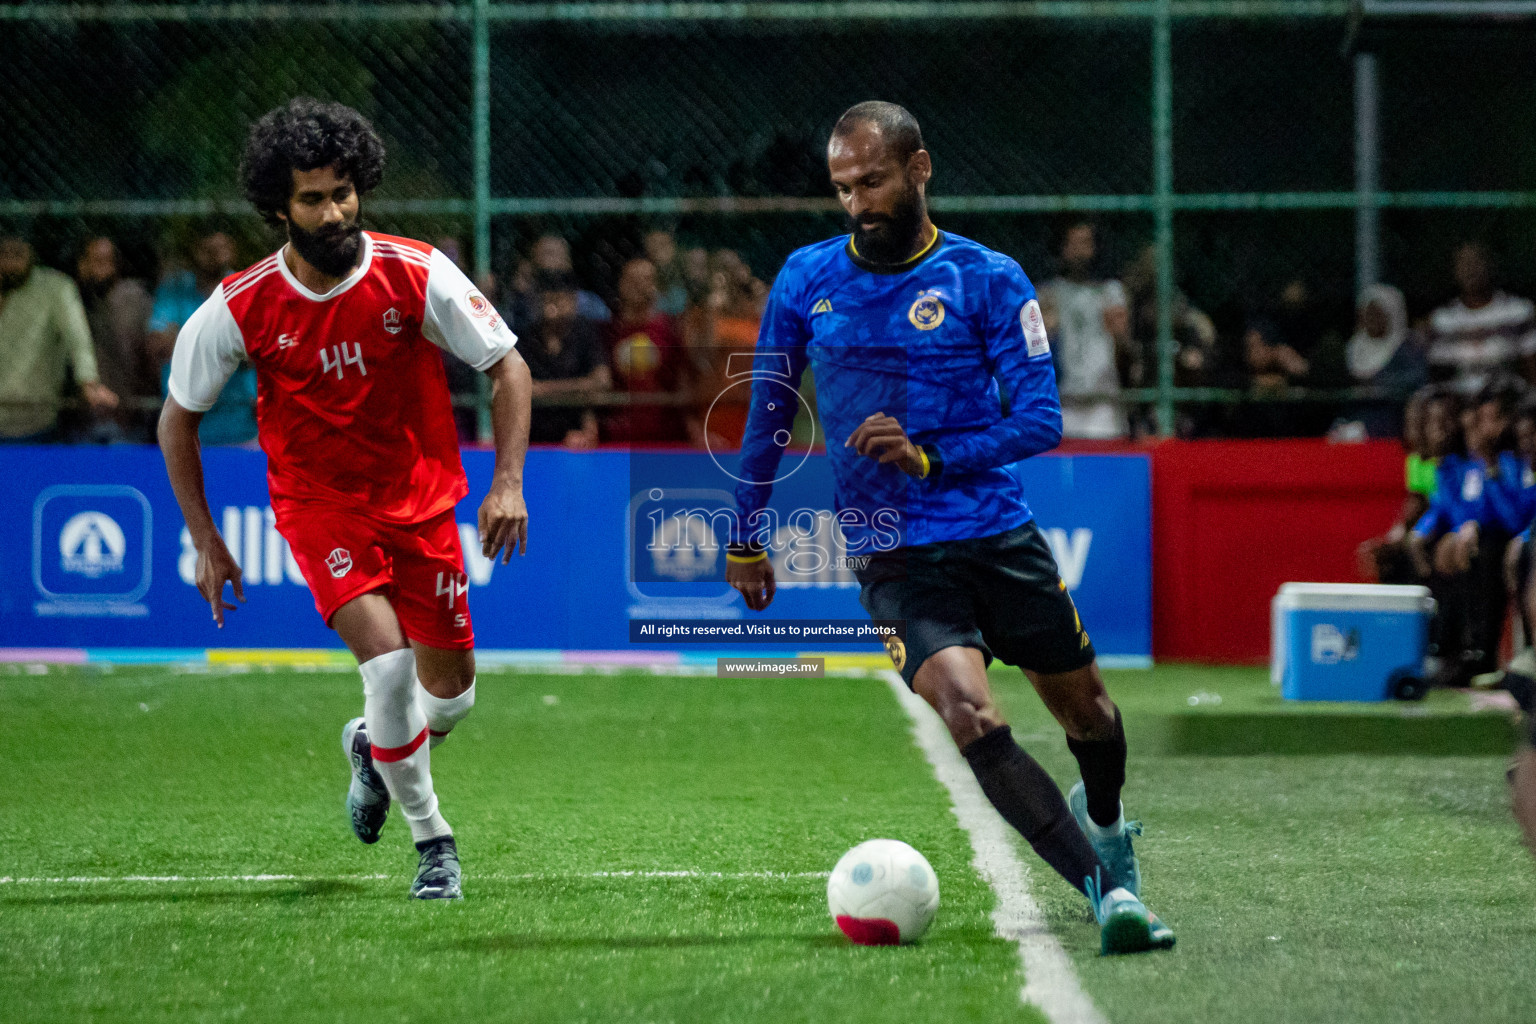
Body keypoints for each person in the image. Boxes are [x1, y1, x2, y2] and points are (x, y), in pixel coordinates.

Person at [724, 101, 1174, 954]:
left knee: (1093, 720)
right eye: (843, 187)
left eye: (874, 181)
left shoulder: (989, 279)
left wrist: (929, 456)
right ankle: (1107, 893)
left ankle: (1106, 821)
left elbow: (1041, 419)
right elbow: (768, 417)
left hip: (996, 535)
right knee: (970, 713)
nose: (859, 203)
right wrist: (745, 536)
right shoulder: (805, 279)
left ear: (919, 169)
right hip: (894, 552)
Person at [157, 98, 532, 901]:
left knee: (453, 698)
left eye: (343, 191)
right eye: (313, 199)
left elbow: (508, 367)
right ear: (278, 207)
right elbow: (176, 421)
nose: (335, 211)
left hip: (421, 502)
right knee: (389, 668)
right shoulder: (239, 306)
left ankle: (371, 747)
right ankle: (434, 843)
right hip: (318, 505)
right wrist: (205, 540)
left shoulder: (416, 271)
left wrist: (507, 482)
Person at [0, 234, 119, 441]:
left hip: (34, 423)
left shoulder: (55, 288)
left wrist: (88, 382)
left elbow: (77, 338)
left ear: (30, 252)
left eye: (17, 254)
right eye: (4, 254)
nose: (11, 262)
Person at [149, 229, 258, 445]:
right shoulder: (174, 289)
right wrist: (227, 343)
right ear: (195, 250)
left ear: (232, 251)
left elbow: (253, 353)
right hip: (184, 424)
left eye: (220, 249)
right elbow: (159, 346)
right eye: (207, 249)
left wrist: (186, 341)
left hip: (240, 424)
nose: (214, 256)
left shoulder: (247, 289)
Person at [1036, 220, 1131, 439]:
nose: (1080, 252)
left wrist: (1119, 335)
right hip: (1066, 401)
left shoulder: (1111, 293)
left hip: (1104, 402)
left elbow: (1126, 355)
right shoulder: (1049, 294)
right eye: (1073, 244)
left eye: (1085, 243)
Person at [1425, 241, 1536, 394]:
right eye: (1464, 264)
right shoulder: (1443, 319)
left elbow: (1531, 369)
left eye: (1476, 262)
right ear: (1455, 271)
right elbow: (1439, 375)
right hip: (1459, 401)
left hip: (1506, 399)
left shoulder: (1517, 311)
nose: (1470, 270)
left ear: (1490, 265)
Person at [75, 236, 156, 441]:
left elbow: (148, 357)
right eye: (95, 261)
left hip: (129, 414)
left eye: (107, 261)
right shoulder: (73, 299)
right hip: (83, 418)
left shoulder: (134, 299)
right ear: (82, 264)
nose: (102, 269)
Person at [603, 256, 687, 444]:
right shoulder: (607, 331)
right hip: (618, 435)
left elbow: (682, 379)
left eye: (646, 279)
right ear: (621, 284)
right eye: (633, 280)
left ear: (656, 286)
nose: (639, 286)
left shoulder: (671, 329)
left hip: (664, 433)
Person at [523, 270, 609, 447]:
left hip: (576, 429)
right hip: (533, 429)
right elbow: (521, 387)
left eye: (559, 300)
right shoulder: (528, 336)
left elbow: (601, 381)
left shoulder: (585, 333)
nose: (552, 308)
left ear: (573, 301)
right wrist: (580, 386)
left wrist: (544, 389)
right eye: (547, 300)